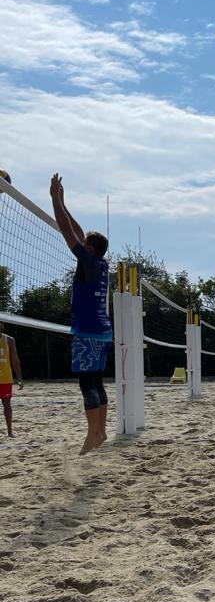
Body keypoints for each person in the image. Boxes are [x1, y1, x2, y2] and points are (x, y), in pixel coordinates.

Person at [49, 173, 112, 455]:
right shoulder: (101, 263)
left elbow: (67, 231)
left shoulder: (88, 260)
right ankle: (101, 431)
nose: (81, 242)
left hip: (87, 332)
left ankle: (92, 433)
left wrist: (54, 200)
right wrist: (64, 202)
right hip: (101, 331)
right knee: (96, 380)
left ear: (90, 249)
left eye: (85, 242)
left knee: (87, 383)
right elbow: (77, 231)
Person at [0, 323, 23, 437]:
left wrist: (19, 378)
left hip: (5, 378)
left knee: (7, 404)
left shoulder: (9, 340)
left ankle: (9, 432)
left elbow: (15, 360)